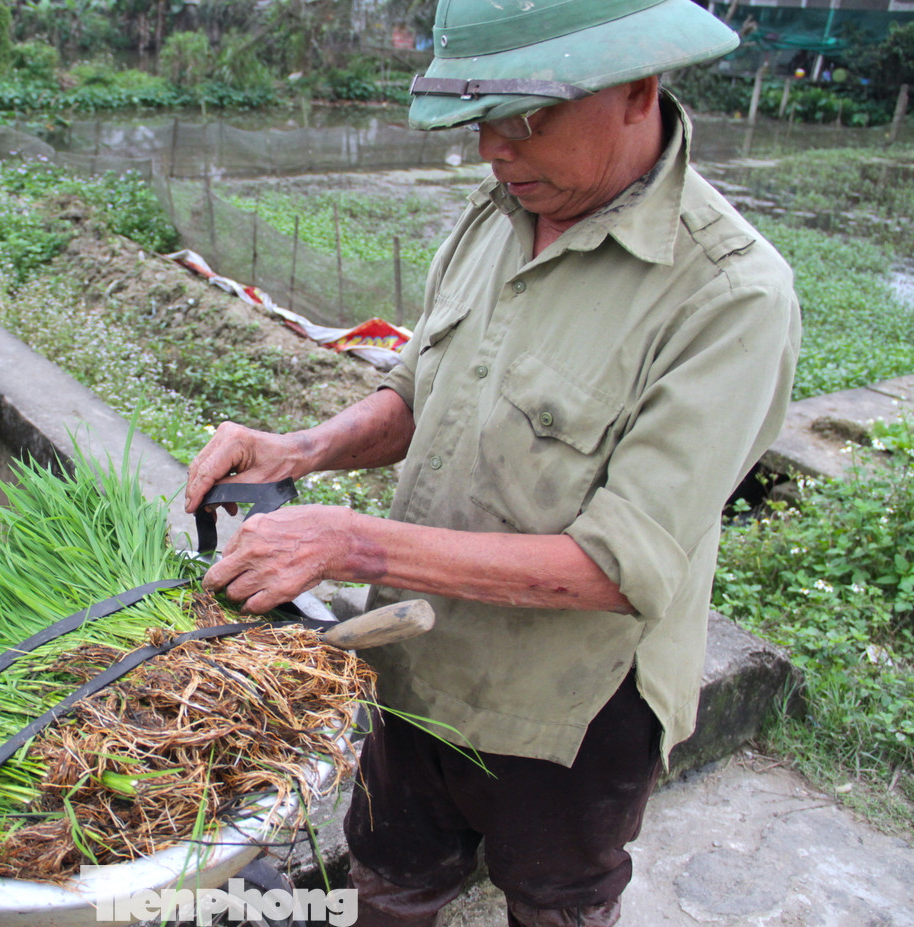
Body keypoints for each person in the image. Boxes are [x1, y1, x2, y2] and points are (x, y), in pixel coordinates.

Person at [183, 1, 802, 925]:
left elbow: (613, 567)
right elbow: (419, 389)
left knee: (556, 899)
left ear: (639, 89)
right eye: (480, 121)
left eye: (528, 118)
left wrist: (351, 542)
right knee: (389, 873)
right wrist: (303, 449)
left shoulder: (732, 299)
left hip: (570, 707)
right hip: (417, 653)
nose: (494, 151)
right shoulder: (498, 215)